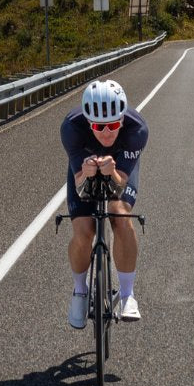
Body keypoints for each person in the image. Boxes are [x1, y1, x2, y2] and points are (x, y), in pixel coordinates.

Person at [62, 80, 147, 329]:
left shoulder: (137, 129)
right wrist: (86, 172)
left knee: (120, 216)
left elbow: (120, 184)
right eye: (99, 126)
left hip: (119, 167)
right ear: (89, 122)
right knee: (83, 231)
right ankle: (79, 291)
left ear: (122, 119)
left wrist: (112, 173)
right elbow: (78, 183)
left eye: (113, 125)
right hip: (84, 170)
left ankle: (127, 295)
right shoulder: (71, 127)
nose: (107, 132)